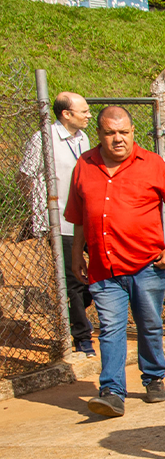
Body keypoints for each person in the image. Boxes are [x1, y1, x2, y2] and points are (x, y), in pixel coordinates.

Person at [65, 106, 165, 418]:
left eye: (124, 132)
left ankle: (153, 377)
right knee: (110, 327)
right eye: (110, 133)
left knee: (149, 324)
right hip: (102, 268)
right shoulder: (84, 165)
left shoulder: (152, 164)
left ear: (133, 132)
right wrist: (75, 256)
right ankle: (111, 391)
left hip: (147, 265)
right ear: (99, 135)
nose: (118, 139)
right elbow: (79, 218)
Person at [19, 92, 96, 356]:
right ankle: (81, 337)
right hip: (59, 222)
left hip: (86, 220)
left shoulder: (83, 138)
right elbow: (25, 176)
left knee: (102, 274)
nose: (88, 115)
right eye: (83, 111)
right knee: (74, 281)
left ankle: (70, 310)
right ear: (66, 114)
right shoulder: (43, 138)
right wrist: (41, 209)